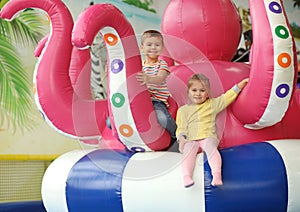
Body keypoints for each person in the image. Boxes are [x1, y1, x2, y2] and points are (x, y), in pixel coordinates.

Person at [176, 74, 249, 188]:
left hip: (207, 137)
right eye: (194, 90)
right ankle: (187, 176)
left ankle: (216, 175)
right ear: (188, 92)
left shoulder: (211, 104)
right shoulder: (183, 110)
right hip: (191, 139)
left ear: (207, 93)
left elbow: (226, 98)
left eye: (202, 90)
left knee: (211, 147)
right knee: (188, 150)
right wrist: (182, 139)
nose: (198, 93)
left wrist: (240, 86)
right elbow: (181, 127)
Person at [136, 30, 177, 149]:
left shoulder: (162, 64)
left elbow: (160, 78)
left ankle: (177, 136)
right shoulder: (140, 66)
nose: (153, 48)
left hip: (156, 100)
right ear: (142, 47)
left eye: (157, 45)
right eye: (149, 45)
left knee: (161, 117)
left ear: (162, 47)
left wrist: (148, 78)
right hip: (142, 101)